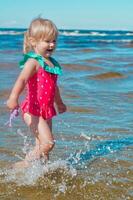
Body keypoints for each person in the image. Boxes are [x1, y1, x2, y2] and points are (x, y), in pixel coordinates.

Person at [7, 17, 67, 168]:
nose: (52, 44)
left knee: (44, 149)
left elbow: (54, 86)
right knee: (48, 143)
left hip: (46, 110)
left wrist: (59, 102)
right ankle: (22, 165)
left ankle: (41, 175)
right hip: (32, 110)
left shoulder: (51, 63)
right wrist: (13, 98)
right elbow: (22, 80)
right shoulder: (33, 62)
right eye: (47, 41)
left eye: (54, 40)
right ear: (34, 42)